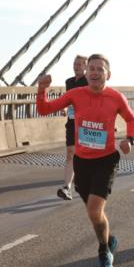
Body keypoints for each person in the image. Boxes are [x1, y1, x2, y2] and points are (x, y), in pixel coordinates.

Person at [37, 54, 134, 267]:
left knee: (94, 210)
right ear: (86, 73)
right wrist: (41, 89)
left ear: (108, 74)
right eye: (91, 68)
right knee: (94, 213)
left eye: (99, 69)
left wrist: (129, 139)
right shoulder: (75, 94)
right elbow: (44, 109)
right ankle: (109, 239)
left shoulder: (116, 97)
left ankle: (104, 252)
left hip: (106, 161)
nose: (94, 72)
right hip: (82, 162)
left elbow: (131, 120)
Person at [57, 55, 88, 200]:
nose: (76, 67)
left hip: (86, 123)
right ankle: (67, 188)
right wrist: (63, 108)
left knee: (83, 154)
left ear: (85, 67)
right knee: (70, 152)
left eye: (80, 64)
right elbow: (68, 99)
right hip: (71, 121)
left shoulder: (88, 81)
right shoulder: (69, 82)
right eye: (75, 64)